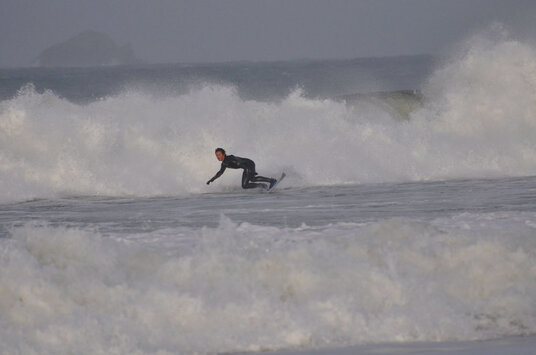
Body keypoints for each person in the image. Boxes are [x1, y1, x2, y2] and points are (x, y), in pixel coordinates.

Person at [207, 148, 276, 189]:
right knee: (247, 183)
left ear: (224, 154)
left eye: (219, 154)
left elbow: (239, 162)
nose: (218, 157)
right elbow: (220, 173)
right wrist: (212, 179)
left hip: (248, 164)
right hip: (247, 166)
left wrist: (248, 169)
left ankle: (271, 181)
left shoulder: (230, 158)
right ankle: (263, 185)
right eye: (217, 155)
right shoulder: (224, 163)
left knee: (249, 182)